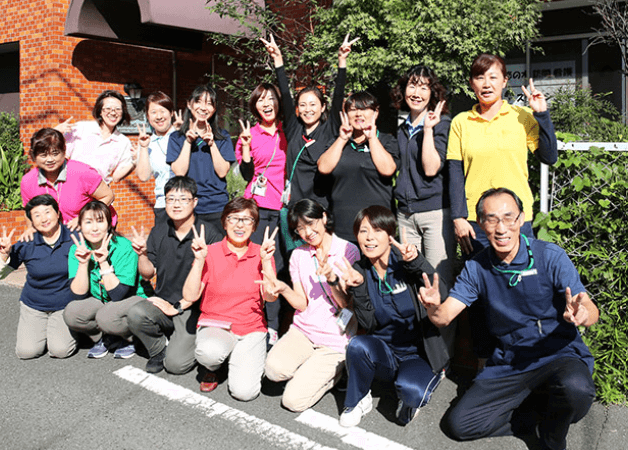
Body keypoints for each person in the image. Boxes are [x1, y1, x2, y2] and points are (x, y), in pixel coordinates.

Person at [418, 188, 598, 450]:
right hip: (510, 362)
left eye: (508, 218)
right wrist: (433, 307)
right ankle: (540, 418)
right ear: (481, 224)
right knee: (459, 425)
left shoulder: (550, 256)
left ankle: (552, 435)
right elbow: (443, 317)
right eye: (491, 220)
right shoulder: (476, 267)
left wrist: (583, 314)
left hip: (558, 355)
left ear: (521, 219)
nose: (501, 228)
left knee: (578, 391)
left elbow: (590, 309)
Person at [337, 205, 454, 427]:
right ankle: (357, 400)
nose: (369, 238)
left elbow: (442, 291)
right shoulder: (359, 271)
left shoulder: (406, 262)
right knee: (357, 345)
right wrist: (358, 288)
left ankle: (413, 386)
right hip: (383, 353)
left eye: (377, 230)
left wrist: (417, 262)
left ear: (390, 235)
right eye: (363, 231)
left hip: (416, 355)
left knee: (412, 394)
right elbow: (368, 324)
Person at [447, 53, 558, 257]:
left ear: (505, 81)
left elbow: (549, 157)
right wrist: (458, 218)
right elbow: (455, 173)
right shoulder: (460, 122)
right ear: (471, 83)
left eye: (493, 77)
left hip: (516, 218)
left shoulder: (521, 116)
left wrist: (542, 114)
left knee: (520, 274)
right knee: (479, 276)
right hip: (476, 220)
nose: (486, 84)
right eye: (480, 77)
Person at [261, 199, 360, 412]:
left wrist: (332, 280)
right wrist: (283, 289)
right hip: (304, 332)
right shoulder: (298, 255)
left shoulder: (348, 251)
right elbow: (302, 303)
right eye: (300, 228)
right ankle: (311, 369)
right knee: (273, 370)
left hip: (335, 339)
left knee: (292, 401)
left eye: (310, 223)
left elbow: (347, 304)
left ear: (323, 217)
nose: (307, 232)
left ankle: (336, 372)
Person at [260, 33, 357, 249]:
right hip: (295, 211)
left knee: (322, 260)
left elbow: (338, 95)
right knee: (296, 260)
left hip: (320, 211)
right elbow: (285, 95)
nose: (308, 109)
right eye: (303, 105)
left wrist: (342, 61)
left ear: (322, 107)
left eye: (313, 104)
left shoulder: (330, 129)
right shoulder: (293, 129)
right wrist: (278, 60)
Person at [181, 197, 277, 400]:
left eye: (247, 219)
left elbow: (270, 297)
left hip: (251, 328)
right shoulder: (209, 252)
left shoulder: (262, 253)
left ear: (254, 226)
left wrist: (267, 262)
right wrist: (199, 260)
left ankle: (236, 358)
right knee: (210, 352)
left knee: (245, 393)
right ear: (224, 223)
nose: (240, 225)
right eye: (233, 218)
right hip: (216, 325)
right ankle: (213, 367)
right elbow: (189, 296)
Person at [127, 176, 223, 374]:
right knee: (136, 313)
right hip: (164, 303)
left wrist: (180, 306)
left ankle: (195, 339)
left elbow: (216, 280)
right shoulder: (159, 230)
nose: (176, 204)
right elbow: (148, 274)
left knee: (176, 365)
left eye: (183, 199)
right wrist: (142, 254)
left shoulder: (209, 233)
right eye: (170, 199)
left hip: (194, 309)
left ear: (194, 202)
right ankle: (158, 349)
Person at [391, 65, 456, 289]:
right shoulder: (402, 129)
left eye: (424, 88)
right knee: (413, 282)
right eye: (412, 86)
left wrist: (428, 130)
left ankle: (443, 315)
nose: (416, 93)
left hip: (434, 213)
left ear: (432, 93)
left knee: (438, 281)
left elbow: (431, 169)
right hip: (405, 215)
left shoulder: (442, 124)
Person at [235, 83, 287, 343]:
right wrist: (246, 146)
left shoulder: (289, 130)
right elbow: (246, 175)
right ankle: (260, 322)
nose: (266, 103)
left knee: (281, 266)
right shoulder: (250, 134)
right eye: (260, 100)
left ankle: (277, 323)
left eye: (270, 98)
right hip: (258, 209)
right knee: (258, 266)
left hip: (285, 209)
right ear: (254, 106)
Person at [63, 201, 147, 359]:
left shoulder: (124, 247)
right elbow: (78, 295)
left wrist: (103, 262)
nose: (94, 228)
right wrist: (83, 263)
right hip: (102, 301)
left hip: (132, 300)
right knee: (72, 313)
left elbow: (119, 294)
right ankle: (109, 335)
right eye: (88, 222)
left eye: (100, 221)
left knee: (107, 316)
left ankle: (132, 337)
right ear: (80, 226)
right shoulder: (77, 249)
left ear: (109, 225)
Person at [0, 195, 76, 359]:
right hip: (34, 305)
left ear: (57, 213)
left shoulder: (74, 238)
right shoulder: (27, 242)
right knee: (26, 352)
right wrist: (4, 255)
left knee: (60, 350)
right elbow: (2, 274)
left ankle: (70, 329)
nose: (44, 219)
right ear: (32, 221)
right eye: (37, 215)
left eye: (47, 212)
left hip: (64, 305)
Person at [318, 92, 400, 242]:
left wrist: (372, 137)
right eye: (353, 109)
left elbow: (388, 170)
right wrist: (342, 138)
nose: (358, 114)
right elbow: (323, 168)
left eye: (364, 109)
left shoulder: (387, 140)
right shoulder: (337, 142)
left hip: (378, 225)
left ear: (375, 113)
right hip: (343, 226)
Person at [167, 85, 235, 231]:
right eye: (198, 101)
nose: (204, 108)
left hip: (217, 206)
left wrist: (212, 144)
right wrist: (188, 142)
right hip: (188, 206)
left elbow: (222, 172)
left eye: (209, 103)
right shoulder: (176, 138)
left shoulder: (223, 137)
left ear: (214, 109)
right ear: (189, 104)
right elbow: (179, 172)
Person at [20, 128, 114, 234]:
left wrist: (85, 218)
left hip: (93, 232)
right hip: (57, 237)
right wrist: (31, 229)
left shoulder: (82, 172)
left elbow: (108, 196)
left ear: (64, 150)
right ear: (34, 155)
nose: (50, 159)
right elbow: (29, 210)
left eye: (55, 153)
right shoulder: (27, 181)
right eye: (43, 155)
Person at [55, 90, 135, 184]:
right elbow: (59, 156)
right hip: (72, 186)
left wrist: (135, 162)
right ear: (100, 111)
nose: (113, 113)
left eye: (118, 109)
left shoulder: (123, 142)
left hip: (99, 190)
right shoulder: (81, 128)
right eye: (108, 108)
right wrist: (54, 132)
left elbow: (116, 177)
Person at [135, 91, 180, 224]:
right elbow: (143, 177)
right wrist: (144, 147)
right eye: (153, 112)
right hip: (163, 205)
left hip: (187, 204)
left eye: (163, 111)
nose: (159, 116)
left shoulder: (184, 137)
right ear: (148, 116)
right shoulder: (147, 143)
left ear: (171, 113)